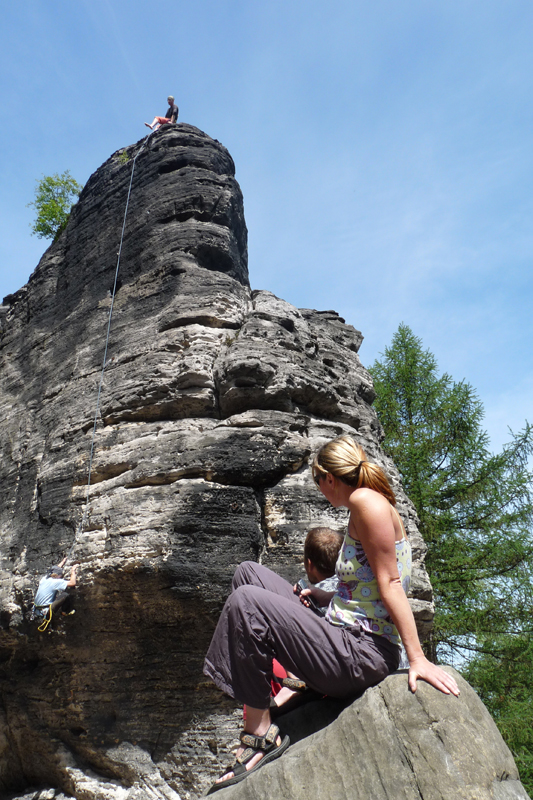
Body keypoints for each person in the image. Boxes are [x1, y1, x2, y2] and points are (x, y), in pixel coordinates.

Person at [203, 435, 460, 793]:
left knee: (246, 601)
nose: (321, 491)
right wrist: (325, 598)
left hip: (361, 652)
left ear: (329, 477)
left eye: (318, 482)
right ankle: (289, 687)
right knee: (248, 573)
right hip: (340, 631)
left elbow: (389, 581)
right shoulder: (369, 502)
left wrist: (417, 658)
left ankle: (260, 735)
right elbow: (366, 583)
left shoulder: (365, 502)